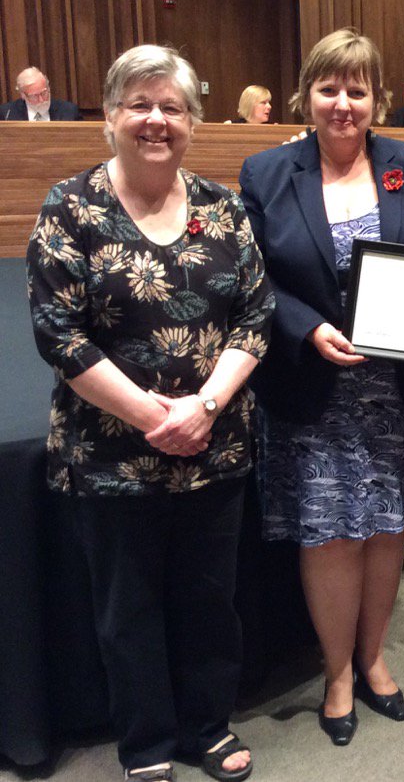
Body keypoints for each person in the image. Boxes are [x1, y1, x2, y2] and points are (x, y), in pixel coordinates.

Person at [25, 44, 272, 781]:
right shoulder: (70, 208)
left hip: (214, 447)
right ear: (110, 117)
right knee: (126, 611)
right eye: (140, 104)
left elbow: (256, 315)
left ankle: (208, 727)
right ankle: (147, 744)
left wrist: (202, 408)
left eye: (172, 107)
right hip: (109, 457)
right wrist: (150, 416)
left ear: (194, 122)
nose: (156, 120)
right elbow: (56, 333)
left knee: (209, 601)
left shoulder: (223, 208)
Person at [238, 28, 404, 747]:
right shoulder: (267, 172)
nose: (343, 103)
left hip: (399, 385)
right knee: (331, 530)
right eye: (329, 88)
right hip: (314, 384)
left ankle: (374, 655)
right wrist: (306, 328)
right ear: (308, 95)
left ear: (378, 99)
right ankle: (339, 670)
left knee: (386, 524)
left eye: (358, 90)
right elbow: (254, 280)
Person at [1, 66, 82, 120]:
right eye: (34, 96)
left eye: (44, 93)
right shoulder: (7, 114)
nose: (42, 100)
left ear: (48, 88)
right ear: (23, 95)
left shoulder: (69, 111)